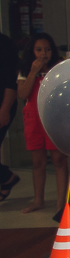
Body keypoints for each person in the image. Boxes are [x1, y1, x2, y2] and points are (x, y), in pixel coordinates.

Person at [18, 32, 67, 215]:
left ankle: (61, 203)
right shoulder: (25, 69)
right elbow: (23, 94)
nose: (43, 54)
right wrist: (32, 71)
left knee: (59, 160)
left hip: (55, 118)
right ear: (32, 51)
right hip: (33, 119)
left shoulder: (58, 67)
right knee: (38, 162)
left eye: (47, 49)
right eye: (39, 49)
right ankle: (38, 200)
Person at [0, 31, 21, 201]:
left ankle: (6, 177)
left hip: (2, 104)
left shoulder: (4, 44)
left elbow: (10, 80)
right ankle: (6, 177)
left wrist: (5, 109)